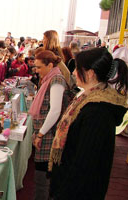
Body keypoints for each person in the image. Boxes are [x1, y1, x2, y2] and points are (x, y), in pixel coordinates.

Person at [49, 48, 128, 200]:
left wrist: (61, 194)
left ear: (90, 73)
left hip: (78, 192)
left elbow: (84, 165)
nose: (73, 73)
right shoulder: (88, 98)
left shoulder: (97, 112)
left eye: (77, 69)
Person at [29, 50, 70, 200]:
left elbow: (55, 111)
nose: (36, 70)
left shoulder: (56, 80)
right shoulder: (50, 78)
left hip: (49, 135)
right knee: (42, 173)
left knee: (43, 175)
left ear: (50, 65)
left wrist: (40, 134)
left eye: (39, 67)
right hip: (46, 133)